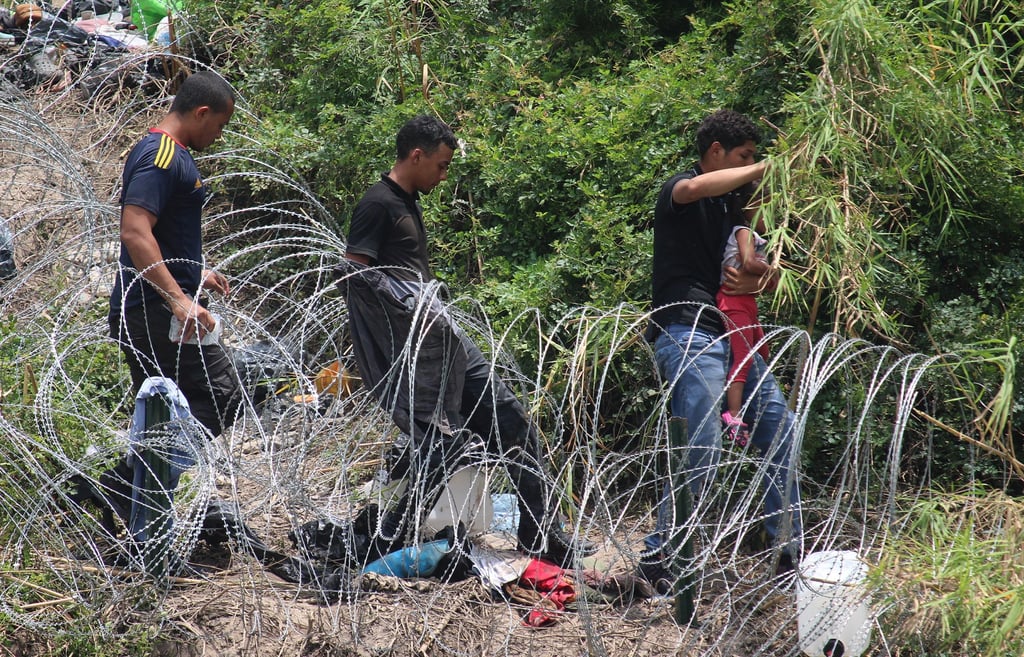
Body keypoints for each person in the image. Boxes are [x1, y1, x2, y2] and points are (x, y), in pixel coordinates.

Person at [340, 114, 596, 565]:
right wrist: (401, 340)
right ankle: (384, 539)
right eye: (440, 165)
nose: (444, 175)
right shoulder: (378, 204)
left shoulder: (406, 200)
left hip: (443, 341)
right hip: (420, 352)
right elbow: (356, 277)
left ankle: (542, 537)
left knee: (512, 422)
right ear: (416, 156)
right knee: (444, 447)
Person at [642, 109, 802, 590]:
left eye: (755, 158)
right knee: (702, 442)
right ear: (715, 153)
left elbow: (763, 269)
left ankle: (788, 553)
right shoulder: (683, 189)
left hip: (735, 336)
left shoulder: (734, 211)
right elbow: (694, 191)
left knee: (781, 429)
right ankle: (663, 555)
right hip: (688, 330)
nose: (752, 165)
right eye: (744, 157)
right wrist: (768, 168)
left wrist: (761, 274)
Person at [100, 71, 242, 564]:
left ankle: (140, 508)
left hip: (153, 306)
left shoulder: (172, 156)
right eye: (218, 127)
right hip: (153, 312)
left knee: (167, 411)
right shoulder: (162, 156)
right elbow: (136, 231)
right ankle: (125, 485)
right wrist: (179, 299)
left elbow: (163, 234)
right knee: (220, 395)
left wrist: (195, 272)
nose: (217, 138)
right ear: (201, 113)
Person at [717, 206, 772, 446]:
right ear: (750, 209)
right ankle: (733, 414)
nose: (772, 216)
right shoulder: (743, 232)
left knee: (763, 350)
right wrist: (772, 271)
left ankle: (748, 407)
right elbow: (749, 264)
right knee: (743, 358)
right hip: (733, 301)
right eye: (767, 209)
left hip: (747, 302)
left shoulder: (760, 238)